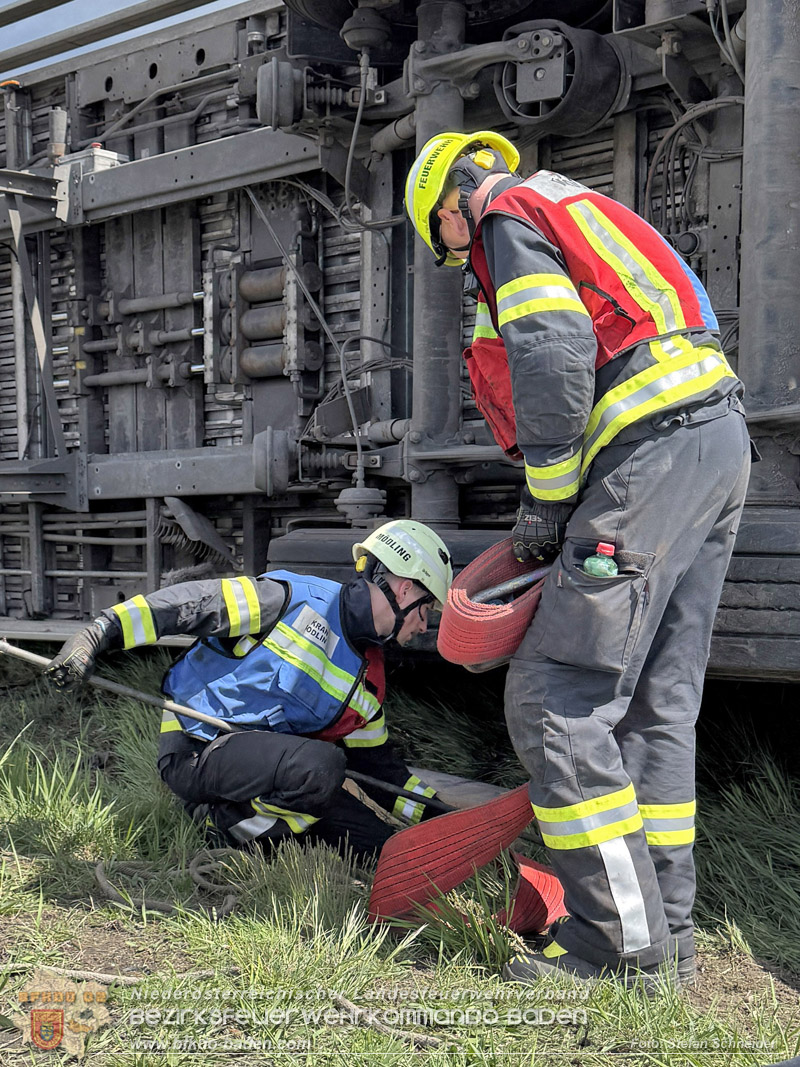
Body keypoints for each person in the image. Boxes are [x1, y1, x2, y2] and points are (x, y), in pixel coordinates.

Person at [405, 132, 751, 986]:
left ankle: (616, 945)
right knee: (655, 709)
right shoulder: (583, 205)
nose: (458, 259)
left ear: (451, 207)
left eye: (444, 243)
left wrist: (549, 500)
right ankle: (666, 938)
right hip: (716, 442)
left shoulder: (504, 216)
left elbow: (553, 348)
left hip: (647, 456)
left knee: (556, 698)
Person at [46, 520, 453, 860]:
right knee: (321, 766)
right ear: (405, 589)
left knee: (385, 848)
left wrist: (448, 821)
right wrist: (97, 634)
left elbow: (382, 773)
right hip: (197, 750)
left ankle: (269, 830)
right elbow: (189, 605)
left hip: (273, 771)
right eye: (425, 610)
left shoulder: (369, 681)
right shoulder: (293, 599)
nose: (422, 627)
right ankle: (223, 828)